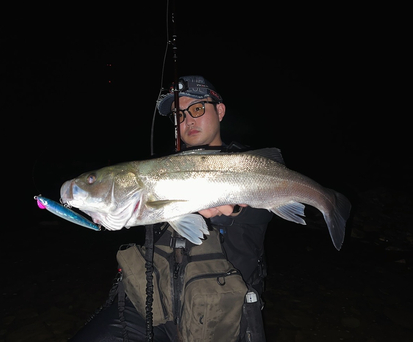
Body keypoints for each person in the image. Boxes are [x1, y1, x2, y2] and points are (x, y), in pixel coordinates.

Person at [70, 75, 271, 341]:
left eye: (197, 109)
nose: (187, 120)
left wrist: (233, 212)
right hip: (155, 306)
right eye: (178, 115)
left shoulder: (251, 165)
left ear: (219, 111)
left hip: (221, 316)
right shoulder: (161, 166)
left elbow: (256, 222)